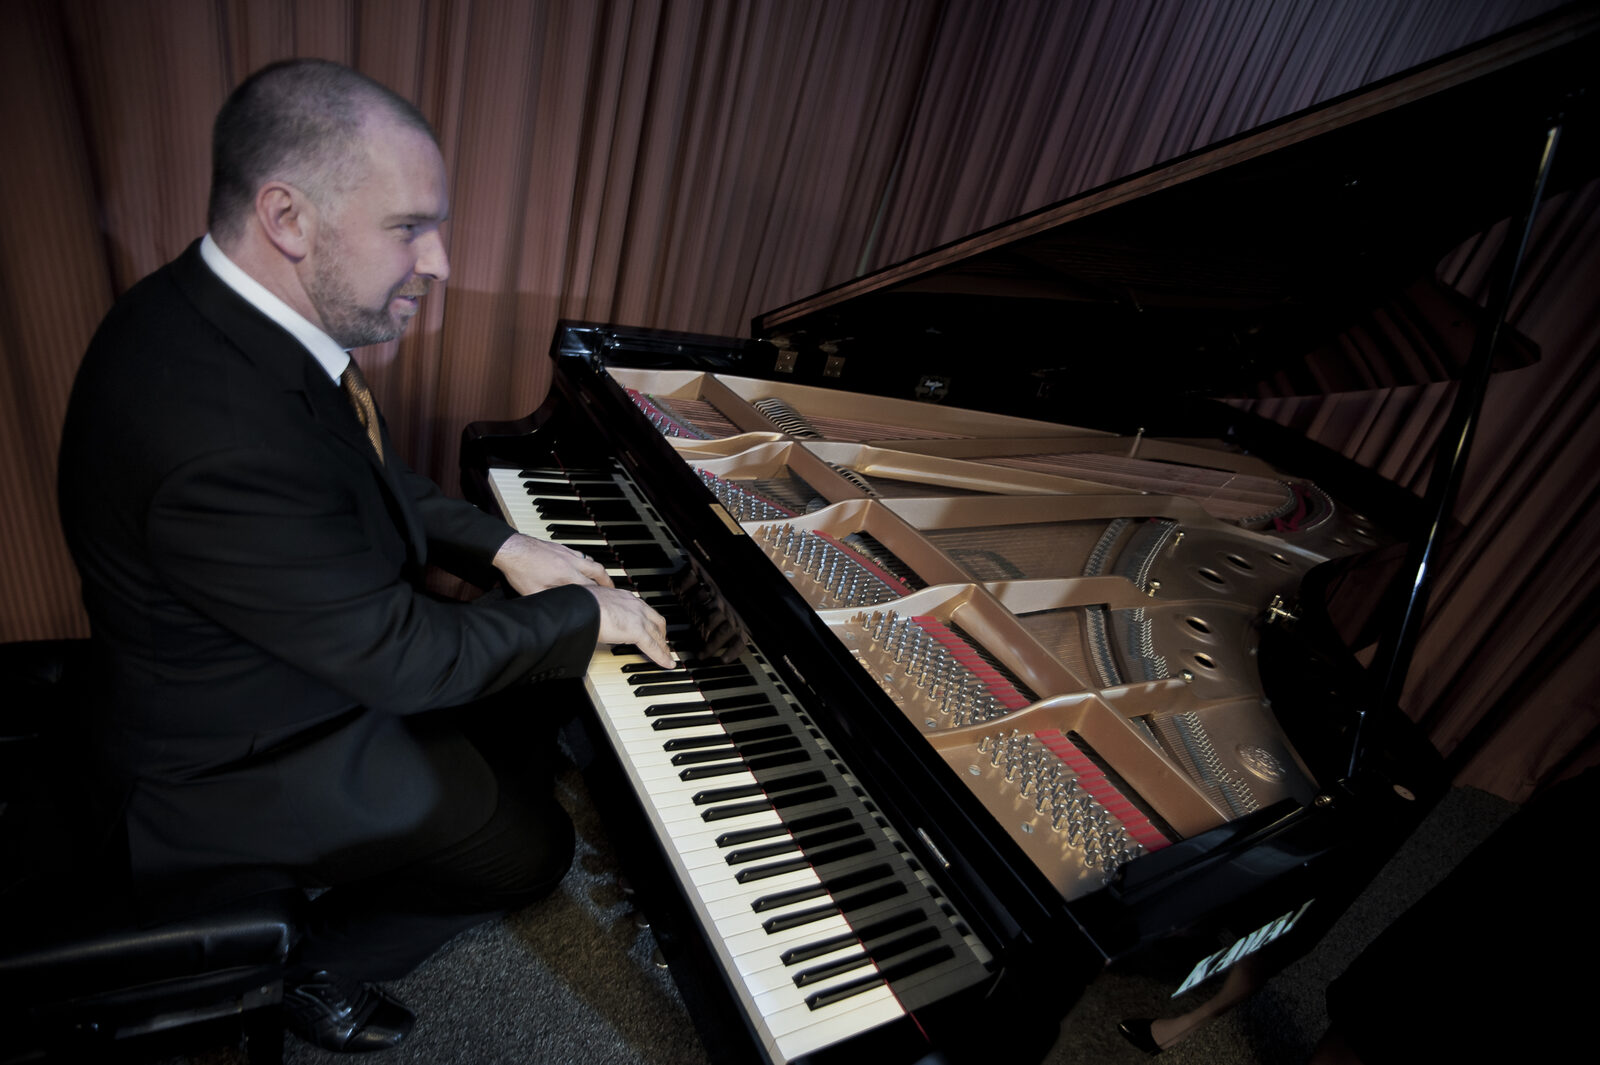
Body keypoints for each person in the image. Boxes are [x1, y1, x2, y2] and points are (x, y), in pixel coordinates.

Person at [55, 57, 674, 1053]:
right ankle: (313, 965)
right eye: (408, 228)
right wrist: (582, 614)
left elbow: (365, 485)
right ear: (290, 220)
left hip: (283, 651)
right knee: (531, 850)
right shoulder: (216, 434)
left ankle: (453, 797)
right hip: (224, 756)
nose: (438, 260)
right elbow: (404, 658)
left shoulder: (227, 318)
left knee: (530, 691)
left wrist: (508, 543)